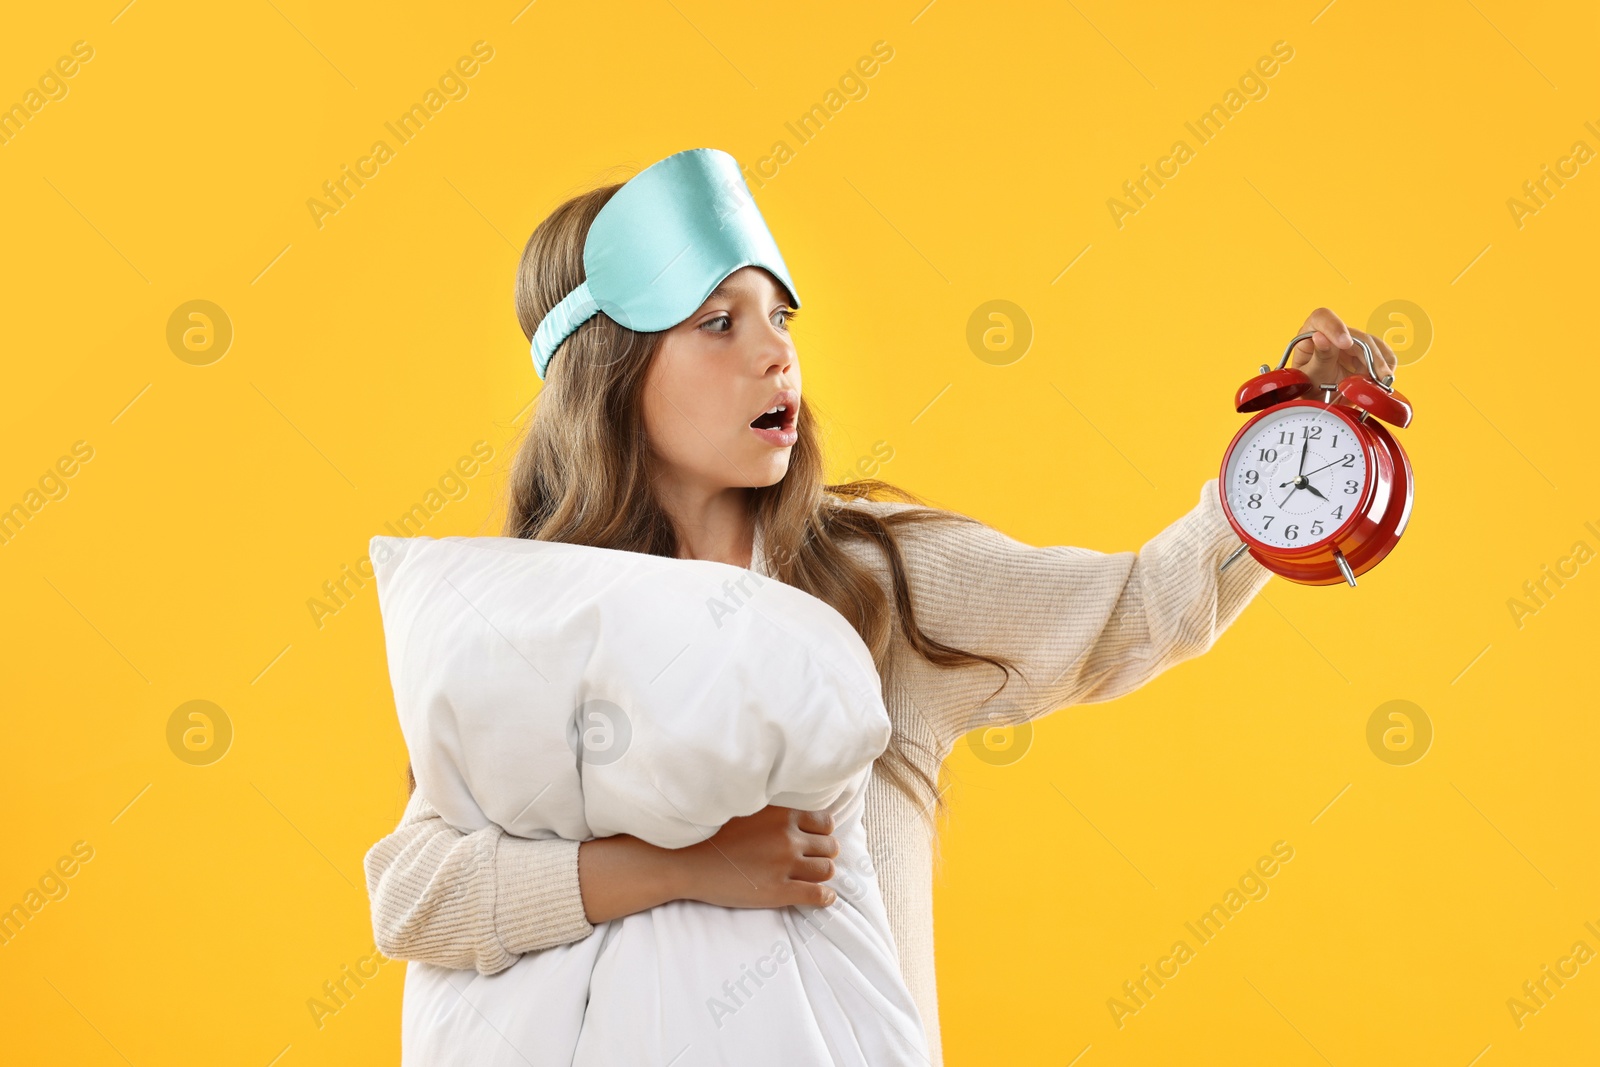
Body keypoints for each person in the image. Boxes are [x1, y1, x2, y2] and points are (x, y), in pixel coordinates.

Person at [362, 146, 1398, 1066]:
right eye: (718, 322)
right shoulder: (539, 624)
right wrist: (683, 867)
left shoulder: (873, 586)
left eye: (780, 317)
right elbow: (416, 892)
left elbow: (1134, 608)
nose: (776, 355)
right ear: (611, 374)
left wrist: (1302, 447)